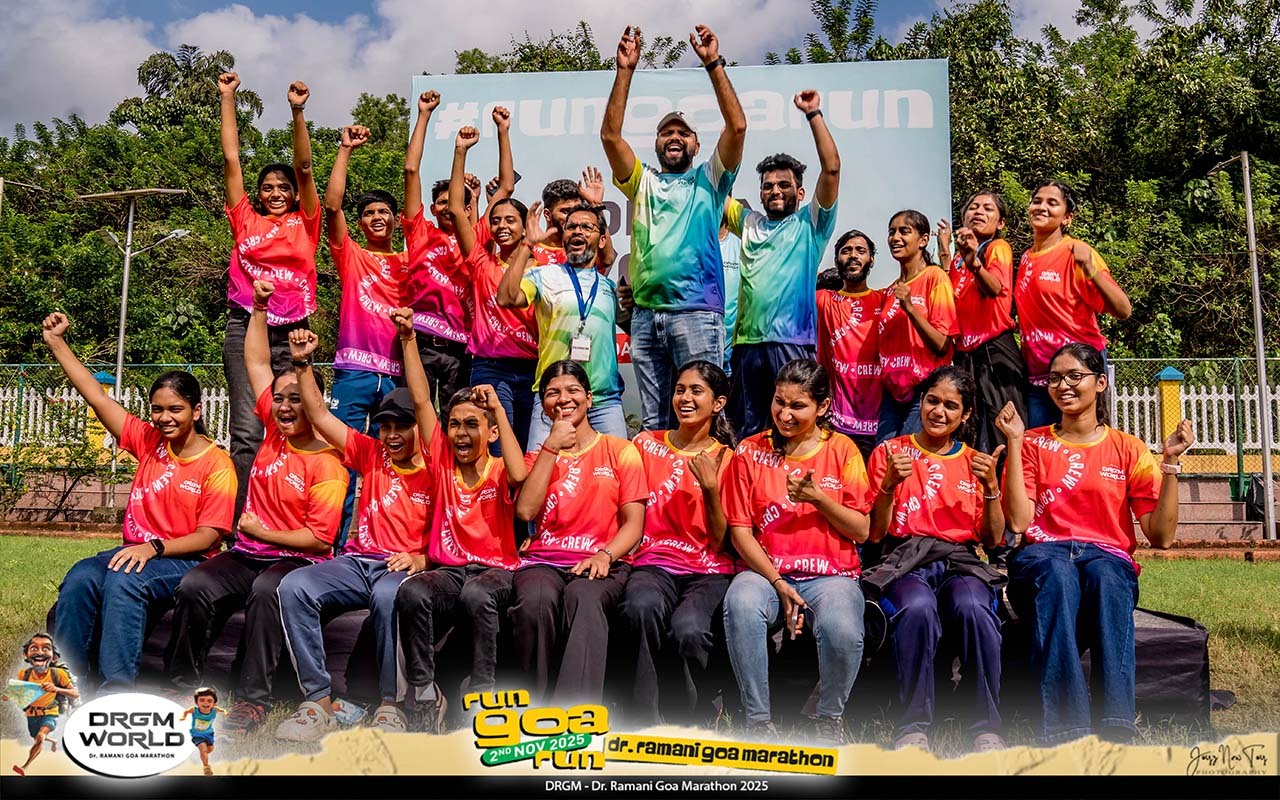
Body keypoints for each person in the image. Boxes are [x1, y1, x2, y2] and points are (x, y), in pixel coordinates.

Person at [166, 281, 347, 736]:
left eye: (295, 399)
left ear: (314, 404)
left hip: (296, 560)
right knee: (194, 584)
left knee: (268, 591)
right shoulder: (273, 428)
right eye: (279, 399)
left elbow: (319, 540)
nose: (283, 406)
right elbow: (257, 362)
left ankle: (252, 702)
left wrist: (261, 532)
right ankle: (180, 689)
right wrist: (260, 307)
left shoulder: (328, 462)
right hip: (249, 552)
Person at [997, 342, 1193, 744]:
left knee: (1106, 577)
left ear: (1100, 382)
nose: (1063, 386)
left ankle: (1117, 725)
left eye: (1075, 376)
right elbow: (1018, 521)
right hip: (1042, 557)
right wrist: (1014, 443)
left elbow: (1162, 536)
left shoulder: (1128, 449)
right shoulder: (1032, 443)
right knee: (1058, 575)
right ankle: (1065, 728)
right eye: (1054, 378)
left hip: (1107, 558)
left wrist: (1170, 463)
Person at [43, 314, 234, 692]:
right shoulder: (149, 441)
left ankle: (116, 689)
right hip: (136, 552)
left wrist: (154, 548)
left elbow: (209, 536)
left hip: (185, 559)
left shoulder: (217, 464)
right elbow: (96, 396)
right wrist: (56, 342)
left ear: (196, 411)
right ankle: (67, 682)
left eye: (175, 409)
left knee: (124, 580)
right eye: (157, 409)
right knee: (81, 577)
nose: (164, 418)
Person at [274, 327, 432, 741]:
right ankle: (318, 702)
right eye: (385, 427)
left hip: (402, 567)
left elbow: (450, 534)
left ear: (420, 428)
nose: (392, 435)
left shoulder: (438, 465)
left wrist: (422, 558)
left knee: (388, 595)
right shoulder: (371, 452)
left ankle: (391, 707)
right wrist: (303, 363)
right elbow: (321, 417)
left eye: (402, 426)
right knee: (294, 586)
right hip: (358, 561)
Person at [603, 23, 747, 430]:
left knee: (704, 421)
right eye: (666, 132)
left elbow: (737, 128)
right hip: (646, 316)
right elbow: (611, 136)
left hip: (696, 314)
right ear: (656, 144)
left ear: (697, 145)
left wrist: (713, 63)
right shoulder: (641, 181)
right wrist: (625, 70)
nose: (675, 137)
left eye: (684, 133)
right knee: (655, 424)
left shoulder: (710, 180)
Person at [721, 359, 873, 745]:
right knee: (741, 602)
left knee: (841, 627)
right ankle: (757, 722)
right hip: (767, 573)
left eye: (798, 406)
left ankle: (829, 718)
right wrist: (777, 582)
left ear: (822, 407)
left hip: (831, 575)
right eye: (779, 402)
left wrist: (819, 499)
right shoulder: (749, 451)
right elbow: (740, 532)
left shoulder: (843, 450)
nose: (785, 414)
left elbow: (861, 529)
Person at [393, 308, 527, 733]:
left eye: (472, 425)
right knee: (413, 591)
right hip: (449, 571)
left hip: (495, 572)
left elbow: (520, 475)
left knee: (478, 594)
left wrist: (497, 411)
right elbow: (421, 399)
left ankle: (483, 696)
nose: (462, 433)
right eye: (454, 425)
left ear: (491, 433)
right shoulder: (442, 461)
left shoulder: (502, 468)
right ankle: (424, 694)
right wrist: (409, 339)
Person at [863, 366, 1006, 753]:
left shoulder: (976, 462)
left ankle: (986, 727)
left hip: (960, 562)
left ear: (966, 414)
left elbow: (993, 539)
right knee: (918, 607)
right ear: (921, 402)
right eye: (932, 400)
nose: (939, 411)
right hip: (905, 560)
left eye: (950, 405)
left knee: (974, 607)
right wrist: (888, 486)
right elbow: (875, 534)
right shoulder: (890, 453)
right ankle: (913, 726)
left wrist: (991, 487)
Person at [509, 361, 647, 704]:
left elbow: (634, 523)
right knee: (535, 600)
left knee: (583, 597)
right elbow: (525, 511)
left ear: (589, 397)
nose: (563, 399)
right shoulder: (538, 456)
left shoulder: (621, 450)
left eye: (572, 390)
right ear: (543, 403)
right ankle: (535, 706)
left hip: (602, 560)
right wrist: (551, 446)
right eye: (552, 393)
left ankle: (575, 712)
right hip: (545, 559)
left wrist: (605, 554)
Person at [218, 72, 320, 520]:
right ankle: (242, 526)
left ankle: (291, 521)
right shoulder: (245, 219)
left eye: (283, 188)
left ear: (294, 194)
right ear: (258, 196)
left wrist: (297, 111)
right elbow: (231, 159)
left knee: (298, 425)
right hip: (246, 327)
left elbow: (306, 167)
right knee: (246, 432)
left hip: (294, 332)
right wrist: (227, 98)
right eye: (268, 188)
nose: (276, 193)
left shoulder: (307, 221)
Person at [620, 361, 736, 725]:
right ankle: (645, 719)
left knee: (689, 628)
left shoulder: (728, 459)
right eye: (680, 390)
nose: (685, 398)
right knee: (641, 606)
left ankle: (696, 715)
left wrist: (711, 488)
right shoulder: (645, 444)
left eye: (696, 391)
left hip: (708, 569)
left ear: (718, 403)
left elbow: (720, 539)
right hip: (653, 562)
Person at [725, 89, 841, 437]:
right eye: (768, 186)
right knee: (748, 432)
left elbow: (832, 169)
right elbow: (714, 186)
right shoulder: (748, 222)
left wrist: (813, 114)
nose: (775, 190)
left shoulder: (810, 224)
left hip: (792, 342)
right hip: (746, 346)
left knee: (794, 428)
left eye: (784, 185)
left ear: (800, 193)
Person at [323, 123, 411, 540]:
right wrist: (345, 149)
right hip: (354, 371)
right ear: (360, 223)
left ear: (395, 220)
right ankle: (333, 544)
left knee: (391, 464)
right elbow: (331, 207)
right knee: (342, 458)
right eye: (370, 213)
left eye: (384, 212)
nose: (378, 217)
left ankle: (380, 540)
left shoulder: (410, 262)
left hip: (395, 375)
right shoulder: (352, 254)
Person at [404, 90, 513, 409]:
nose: (446, 208)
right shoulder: (419, 231)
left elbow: (506, 187)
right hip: (421, 340)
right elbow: (411, 170)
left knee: (459, 416)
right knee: (415, 416)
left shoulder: (477, 237)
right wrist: (424, 115)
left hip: (461, 346)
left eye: (451, 202)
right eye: (439, 203)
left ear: (467, 209)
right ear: (433, 209)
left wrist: (503, 132)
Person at [497, 204, 628, 447]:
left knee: (618, 466)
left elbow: (632, 327)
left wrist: (634, 306)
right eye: (571, 227)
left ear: (601, 240)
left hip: (604, 401)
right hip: (554, 398)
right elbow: (506, 297)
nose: (578, 231)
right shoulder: (543, 276)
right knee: (539, 467)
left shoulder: (608, 287)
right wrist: (527, 244)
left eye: (586, 227)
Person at [447, 118, 539, 450]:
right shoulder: (480, 261)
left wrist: (504, 131)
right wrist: (460, 151)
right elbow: (456, 210)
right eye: (496, 220)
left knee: (528, 451)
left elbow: (508, 187)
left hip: (533, 369)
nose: (501, 226)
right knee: (498, 450)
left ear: (526, 226)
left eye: (510, 220)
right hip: (490, 367)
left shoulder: (543, 269)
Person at [1014, 181, 1132, 428]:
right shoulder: (1025, 257)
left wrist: (1090, 270)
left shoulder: (1076, 253)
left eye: (1052, 203)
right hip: (1039, 376)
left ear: (1067, 218)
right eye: (1037, 201)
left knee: (1085, 442)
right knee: (1041, 443)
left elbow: (1123, 309)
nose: (1042, 207)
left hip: (1078, 372)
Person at [935, 192, 1028, 453]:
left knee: (1002, 427)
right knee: (970, 428)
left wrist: (974, 264)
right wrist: (946, 252)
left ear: (1001, 223)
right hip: (967, 354)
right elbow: (950, 296)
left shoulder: (997, 247)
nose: (978, 211)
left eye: (988, 208)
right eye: (973, 207)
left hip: (994, 350)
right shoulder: (958, 258)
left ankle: (1010, 477)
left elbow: (995, 288)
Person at [876, 210, 958, 442]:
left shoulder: (935, 278)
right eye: (891, 232)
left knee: (909, 455)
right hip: (892, 394)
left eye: (904, 231)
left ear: (923, 240)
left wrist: (910, 308)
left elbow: (942, 344)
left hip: (924, 390)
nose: (895, 238)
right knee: (883, 454)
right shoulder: (891, 290)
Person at [817, 230, 883, 459]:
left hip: (879, 423)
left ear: (871, 259)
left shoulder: (886, 300)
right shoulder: (823, 300)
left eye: (860, 250)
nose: (853, 255)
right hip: (836, 422)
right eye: (846, 251)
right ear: (837, 260)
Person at [3, 633, 78, 775]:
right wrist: (8, 695)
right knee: (37, 737)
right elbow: (18, 690)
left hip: (50, 712)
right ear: (26, 655)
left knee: (40, 738)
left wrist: (56, 689)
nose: (40, 652)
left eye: (46, 648)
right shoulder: (24, 674)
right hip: (31, 714)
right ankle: (53, 741)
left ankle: (24, 767)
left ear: (54, 657)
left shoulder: (58, 674)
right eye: (34, 648)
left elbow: (75, 693)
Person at [530, 174, 616, 275]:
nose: (573, 217)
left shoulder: (582, 248)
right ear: (547, 214)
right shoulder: (530, 249)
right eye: (566, 211)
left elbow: (606, 260)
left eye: (576, 210)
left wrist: (596, 206)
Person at [180, 687, 227, 776]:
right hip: (197, 734)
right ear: (196, 702)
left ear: (214, 704)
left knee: (210, 749)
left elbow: (221, 710)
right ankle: (206, 767)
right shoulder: (194, 710)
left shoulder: (214, 710)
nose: (205, 703)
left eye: (209, 701)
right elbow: (186, 711)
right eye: (202, 700)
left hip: (209, 734)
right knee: (203, 749)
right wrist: (183, 717)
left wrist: (225, 712)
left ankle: (203, 753)